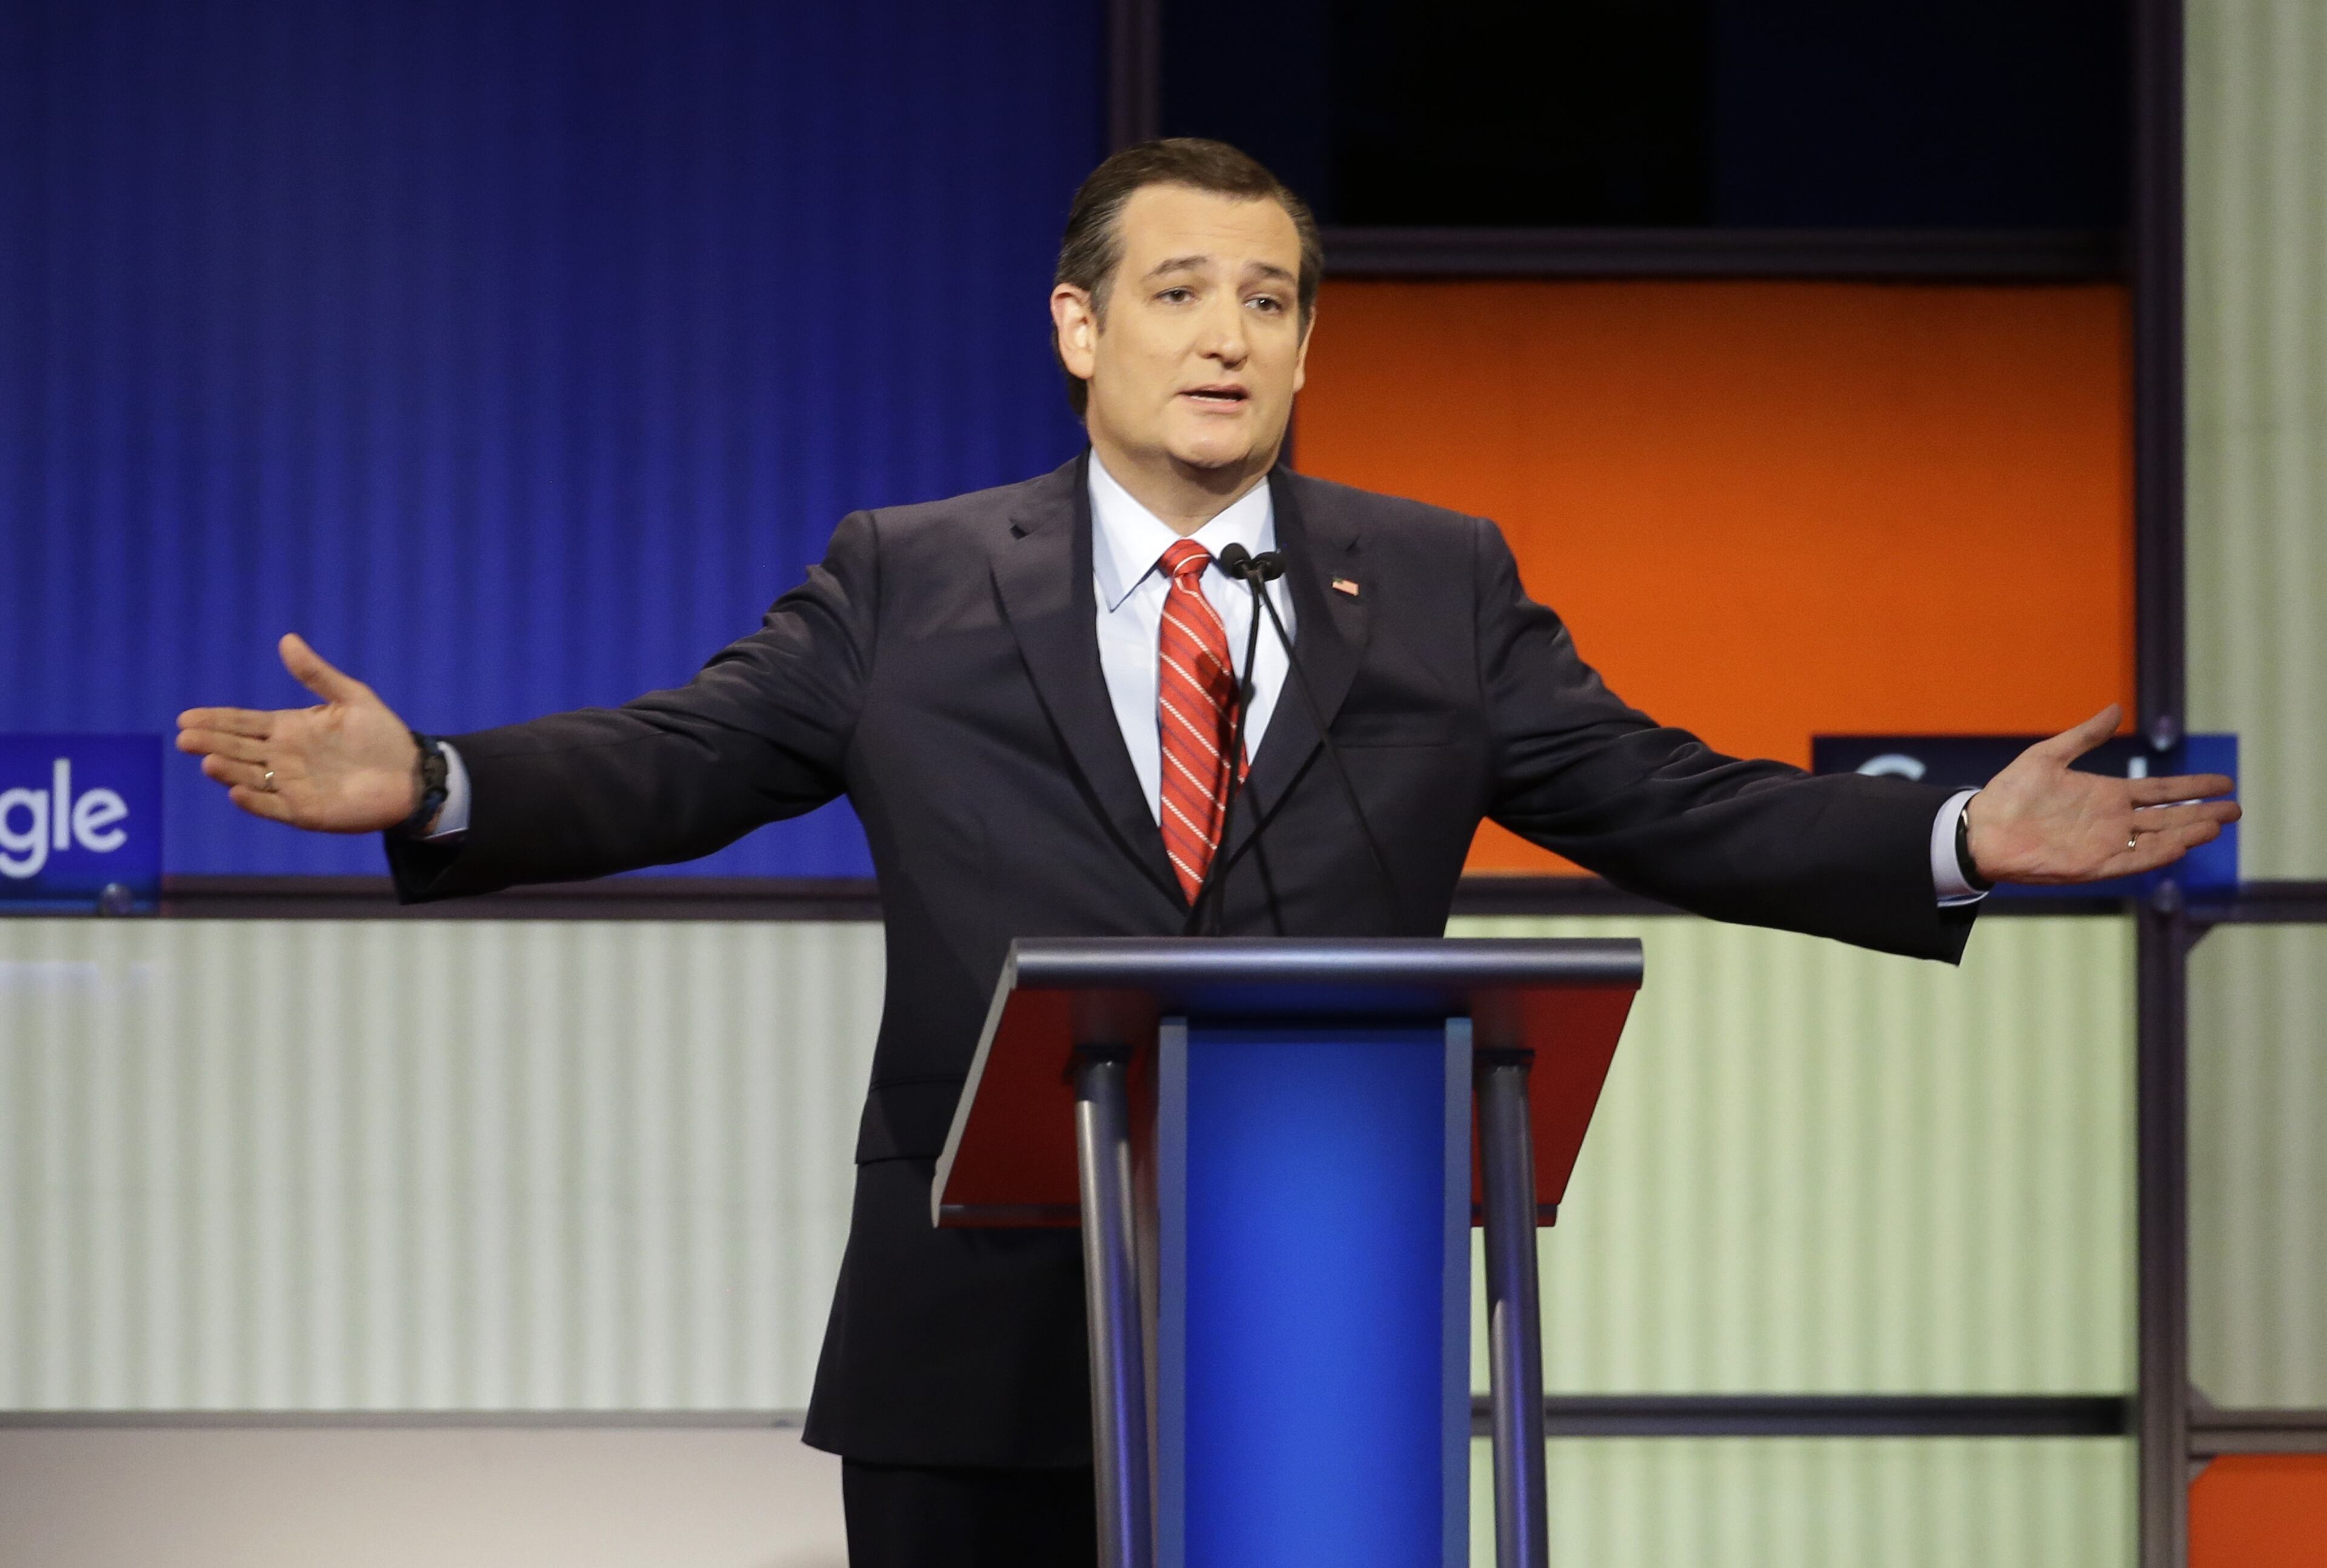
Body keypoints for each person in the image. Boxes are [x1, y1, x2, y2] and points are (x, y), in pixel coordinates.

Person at [176, 138, 2237, 1567]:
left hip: (1310, 1334)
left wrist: (1951, 832)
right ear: (1080, 327)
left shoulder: (1429, 583)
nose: (1229, 335)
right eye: (1179, 294)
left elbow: (1657, 793)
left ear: (1310, 347)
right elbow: (683, 756)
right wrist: (436, 780)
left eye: (1270, 300)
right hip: (976, 1337)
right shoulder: (908, 578)